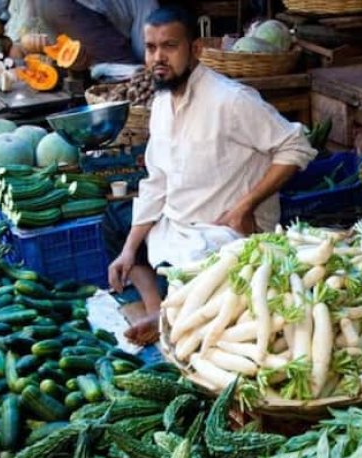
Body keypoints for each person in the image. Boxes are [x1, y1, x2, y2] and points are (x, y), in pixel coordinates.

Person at [104, 5, 316, 346]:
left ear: (196, 49)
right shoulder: (161, 104)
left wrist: (245, 206)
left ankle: (170, 313)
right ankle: (158, 311)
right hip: (178, 220)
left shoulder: (230, 100)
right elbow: (156, 181)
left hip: (221, 230)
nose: (159, 57)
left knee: (212, 275)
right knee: (116, 221)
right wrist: (129, 250)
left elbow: (296, 146)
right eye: (151, 47)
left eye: (170, 46)